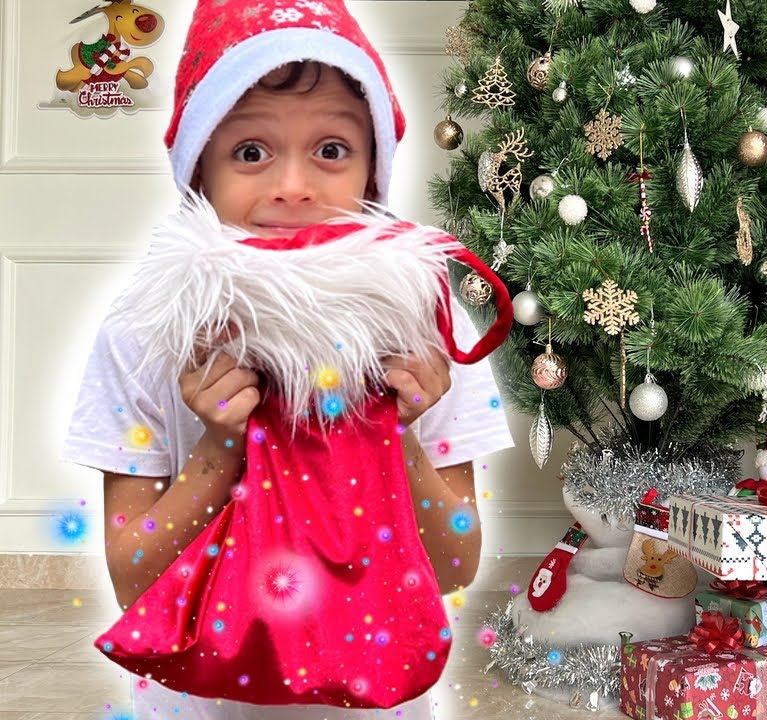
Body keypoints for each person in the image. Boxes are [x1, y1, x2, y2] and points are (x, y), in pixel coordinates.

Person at [58, 1, 514, 717]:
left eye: (331, 150)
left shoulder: (419, 321)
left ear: (372, 173)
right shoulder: (148, 329)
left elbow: (455, 564)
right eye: (250, 151)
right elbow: (133, 583)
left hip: (379, 698)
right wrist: (218, 449)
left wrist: (399, 435)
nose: (294, 186)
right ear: (198, 174)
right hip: (199, 703)